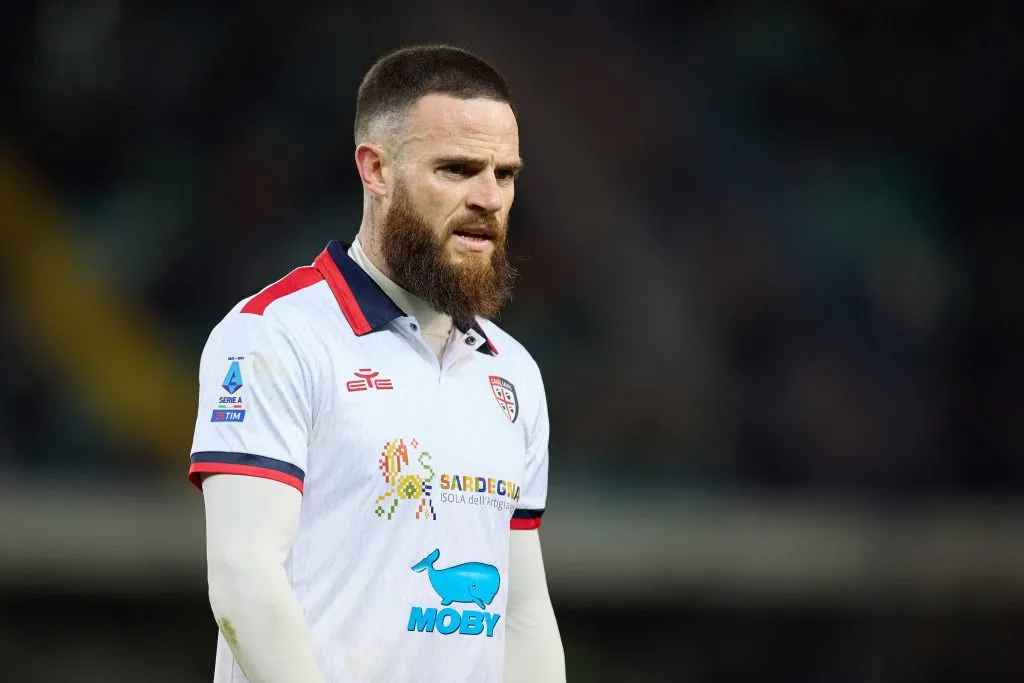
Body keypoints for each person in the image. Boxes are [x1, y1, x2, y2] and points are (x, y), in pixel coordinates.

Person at [187, 45, 566, 683]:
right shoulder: (274, 337)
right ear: (376, 169)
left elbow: (522, 610)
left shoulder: (514, 373)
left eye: (505, 174)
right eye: (457, 168)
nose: (489, 198)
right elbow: (243, 580)